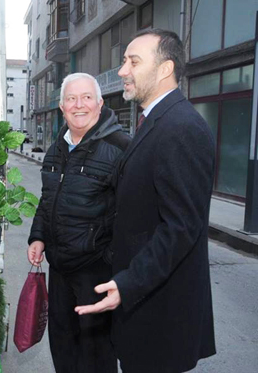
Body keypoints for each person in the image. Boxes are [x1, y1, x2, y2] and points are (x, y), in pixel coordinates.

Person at [75, 29, 216, 372]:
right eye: (124, 61)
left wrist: (127, 282)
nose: (122, 70)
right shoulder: (157, 121)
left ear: (165, 69)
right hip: (143, 306)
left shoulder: (181, 128)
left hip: (161, 314)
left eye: (133, 62)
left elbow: (180, 227)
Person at [27, 73, 130, 373]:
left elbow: (134, 217)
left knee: (96, 355)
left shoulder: (121, 148)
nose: (79, 105)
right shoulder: (56, 148)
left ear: (99, 103)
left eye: (86, 97)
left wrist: (112, 263)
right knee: (63, 345)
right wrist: (38, 237)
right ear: (62, 107)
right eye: (71, 99)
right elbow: (48, 201)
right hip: (60, 269)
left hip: (97, 273)